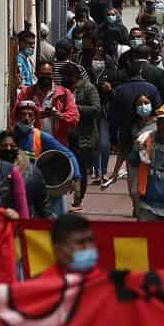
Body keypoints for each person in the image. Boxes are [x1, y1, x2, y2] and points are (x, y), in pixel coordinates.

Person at [11, 101, 80, 216]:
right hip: (14, 188)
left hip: (36, 188)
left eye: (30, 115)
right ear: (17, 116)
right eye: (23, 114)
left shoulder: (40, 136)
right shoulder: (9, 137)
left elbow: (68, 154)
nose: (26, 118)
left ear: (35, 117)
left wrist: (77, 179)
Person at [14, 61, 81, 149]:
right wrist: (36, 114)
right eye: (42, 74)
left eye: (48, 74)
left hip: (57, 144)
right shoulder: (26, 93)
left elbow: (75, 118)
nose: (46, 77)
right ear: (36, 74)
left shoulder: (64, 93)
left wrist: (61, 116)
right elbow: (15, 115)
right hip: (32, 144)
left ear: (53, 75)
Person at [61, 63, 100, 210]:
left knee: (81, 168)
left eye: (68, 77)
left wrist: (74, 108)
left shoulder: (88, 88)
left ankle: (78, 199)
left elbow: (96, 108)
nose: (66, 79)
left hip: (84, 135)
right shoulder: (62, 90)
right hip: (66, 134)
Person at [0, 130, 51, 218]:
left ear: (18, 147)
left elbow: (44, 206)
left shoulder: (32, 173)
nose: (8, 149)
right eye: (4, 146)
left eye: (12, 146)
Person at [36, 213, 99, 278]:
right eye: (80, 243)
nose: (89, 247)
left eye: (91, 240)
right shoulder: (43, 285)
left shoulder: (105, 280)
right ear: (59, 250)